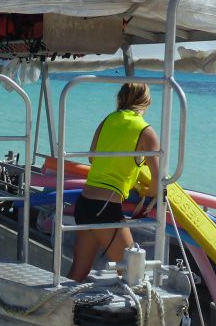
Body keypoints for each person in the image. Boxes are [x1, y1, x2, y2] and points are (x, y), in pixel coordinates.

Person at [68, 82, 160, 281]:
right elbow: (157, 180)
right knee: (133, 274)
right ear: (147, 102)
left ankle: (53, 310)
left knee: (78, 273)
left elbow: (92, 157)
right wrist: (146, 191)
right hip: (106, 209)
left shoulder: (108, 120)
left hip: (84, 204)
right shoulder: (146, 131)